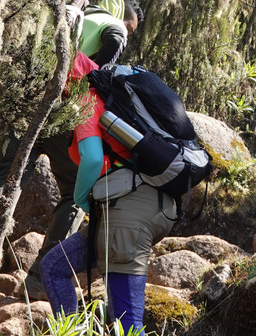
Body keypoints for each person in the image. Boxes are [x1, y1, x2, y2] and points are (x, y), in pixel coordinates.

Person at [5, 0, 144, 299]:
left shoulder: (79, 14)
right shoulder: (115, 27)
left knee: (5, 176)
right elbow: (98, 75)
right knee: (74, 193)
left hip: (28, 101)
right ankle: (41, 277)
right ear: (124, 15)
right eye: (132, 26)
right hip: (65, 115)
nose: (128, 34)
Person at [40, 53, 175, 334]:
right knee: (54, 267)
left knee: (127, 324)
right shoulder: (111, 96)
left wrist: (80, 198)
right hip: (144, 206)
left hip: (128, 216)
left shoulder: (86, 98)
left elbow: (91, 158)